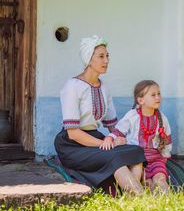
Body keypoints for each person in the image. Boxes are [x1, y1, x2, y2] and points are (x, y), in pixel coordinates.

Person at [54, 35, 146, 195]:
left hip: (96, 138)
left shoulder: (104, 88)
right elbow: (73, 133)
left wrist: (118, 137)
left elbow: (112, 125)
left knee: (135, 151)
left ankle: (130, 194)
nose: (106, 60)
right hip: (72, 144)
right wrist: (105, 143)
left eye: (107, 56)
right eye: (101, 56)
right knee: (114, 157)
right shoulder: (72, 86)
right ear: (89, 60)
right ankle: (139, 197)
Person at [108, 80, 172, 194]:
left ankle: (168, 203)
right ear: (141, 100)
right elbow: (118, 131)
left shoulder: (162, 118)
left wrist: (164, 157)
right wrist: (110, 138)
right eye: (153, 95)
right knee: (147, 183)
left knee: (160, 180)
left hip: (156, 159)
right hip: (137, 159)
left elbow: (167, 141)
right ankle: (147, 201)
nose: (157, 97)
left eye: (159, 94)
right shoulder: (132, 116)